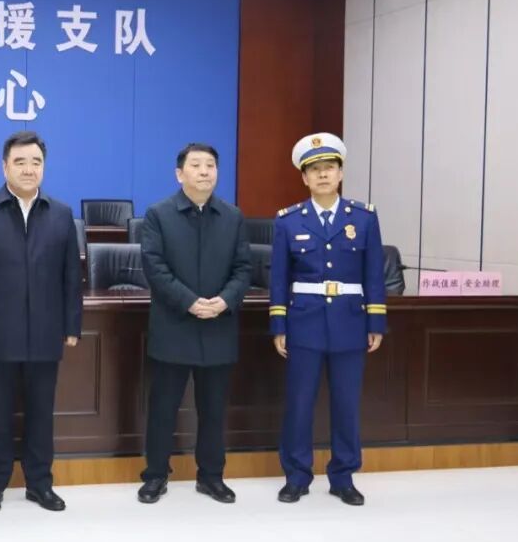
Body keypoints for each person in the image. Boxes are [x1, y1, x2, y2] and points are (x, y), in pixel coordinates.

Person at [0, 131, 82, 514]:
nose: (29, 169)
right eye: (20, 162)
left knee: (41, 414)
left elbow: (71, 276)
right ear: (4, 166)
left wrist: (72, 325)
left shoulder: (60, 214)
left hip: (46, 331)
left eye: (36, 162)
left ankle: (40, 484)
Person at [269, 132, 386, 506]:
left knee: (346, 404)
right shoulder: (288, 221)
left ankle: (343, 476)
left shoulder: (363, 218)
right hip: (304, 323)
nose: (323, 174)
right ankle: (296, 476)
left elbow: (373, 275)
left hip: (350, 323)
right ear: (304, 177)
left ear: (340, 173)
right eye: (315, 169)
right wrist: (278, 325)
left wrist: (376, 323)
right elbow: (279, 279)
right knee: (299, 403)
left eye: (329, 167)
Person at [137, 143, 252, 505]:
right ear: (179, 173)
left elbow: (244, 268)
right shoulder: (159, 214)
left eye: (211, 165)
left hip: (218, 325)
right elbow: (154, 267)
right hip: (174, 326)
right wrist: (189, 301)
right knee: (163, 408)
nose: (204, 171)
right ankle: (156, 476)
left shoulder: (232, 216)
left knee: (213, 409)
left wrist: (225, 300)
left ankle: (211, 476)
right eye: (196, 165)